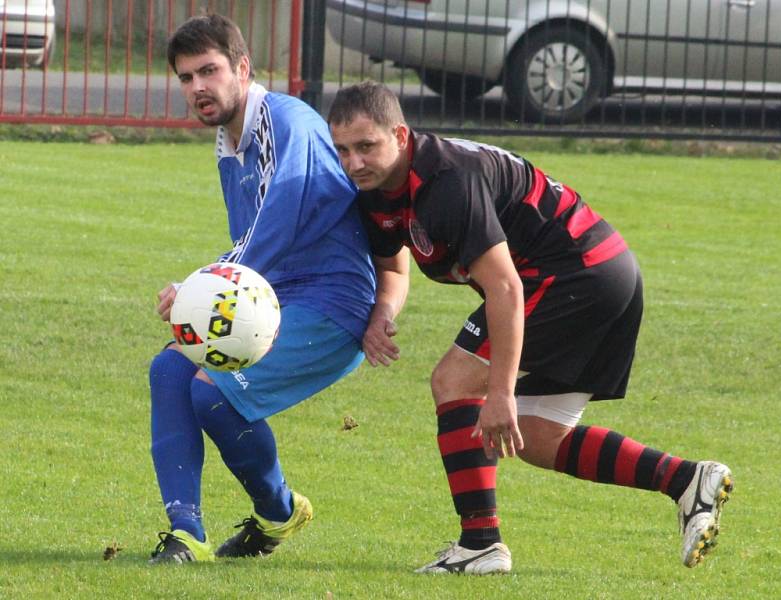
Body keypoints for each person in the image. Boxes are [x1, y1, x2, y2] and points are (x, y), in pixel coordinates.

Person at [327, 82, 733, 574]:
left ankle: (480, 544)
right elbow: (393, 269)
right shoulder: (376, 190)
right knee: (540, 437)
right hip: (601, 272)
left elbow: (505, 290)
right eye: (343, 149)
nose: (353, 163)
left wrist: (498, 391)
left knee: (453, 381)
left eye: (366, 146)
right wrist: (382, 316)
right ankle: (687, 480)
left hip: (575, 273)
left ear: (400, 133)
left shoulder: (447, 181)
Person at [147, 15, 375, 564]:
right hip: (274, 300)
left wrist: (197, 289)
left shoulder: (286, 122)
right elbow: (247, 240)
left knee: (211, 390)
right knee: (171, 370)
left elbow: (278, 222)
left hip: (332, 305)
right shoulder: (230, 141)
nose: (198, 87)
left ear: (243, 69)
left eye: (209, 70)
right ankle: (186, 535)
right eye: (185, 77)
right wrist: (197, 291)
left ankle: (276, 510)